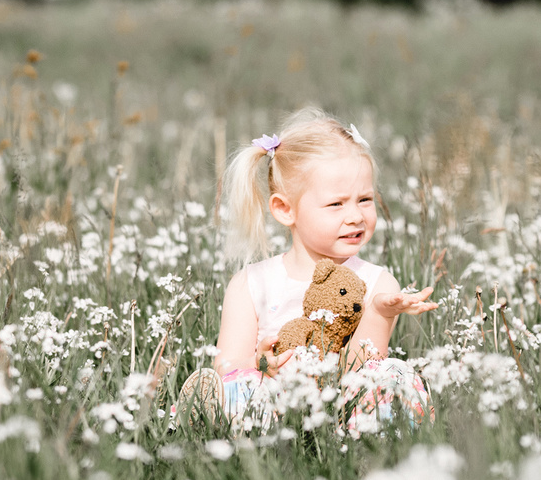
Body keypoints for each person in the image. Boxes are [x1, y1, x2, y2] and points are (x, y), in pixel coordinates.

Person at [180, 107, 435, 423]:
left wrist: (379, 314)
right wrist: (258, 363)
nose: (355, 215)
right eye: (336, 204)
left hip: (339, 405)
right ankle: (239, 430)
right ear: (285, 209)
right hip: (270, 398)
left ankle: (372, 440)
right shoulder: (251, 283)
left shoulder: (378, 284)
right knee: (232, 383)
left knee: (391, 375)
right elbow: (226, 363)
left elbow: (361, 369)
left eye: (365, 200)